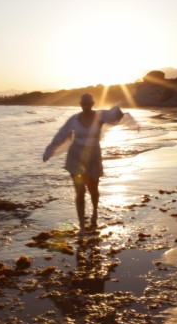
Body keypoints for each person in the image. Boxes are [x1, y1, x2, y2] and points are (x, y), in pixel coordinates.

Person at [43, 93, 124, 235]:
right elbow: (61, 135)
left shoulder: (100, 116)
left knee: (93, 189)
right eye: (83, 104)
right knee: (80, 192)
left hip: (93, 156)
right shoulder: (74, 119)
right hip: (76, 156)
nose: (86, 107)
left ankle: (94, 212)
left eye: (89, 104)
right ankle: (81, 226)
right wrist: (49, 151)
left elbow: (116, 115)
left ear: (93, 103)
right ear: (80, 104)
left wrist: (118, 110)